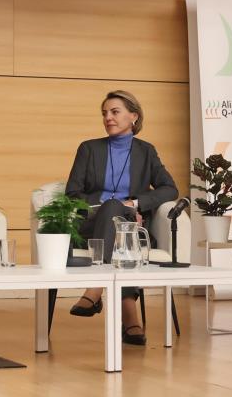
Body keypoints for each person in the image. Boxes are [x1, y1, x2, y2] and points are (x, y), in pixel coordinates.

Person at [63, 90, 177, 345]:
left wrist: (135, 204)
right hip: (93, 223)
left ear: (133, 116)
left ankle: (96, 288)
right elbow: (73, 192)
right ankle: (130, 316)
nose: (108, 118)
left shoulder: (146, 151)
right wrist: (110, 207)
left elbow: (170, 188)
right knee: (115, 211)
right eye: (105, 113)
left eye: (115, 112)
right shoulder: (89, 149)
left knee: (122, 222)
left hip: (131, 225)